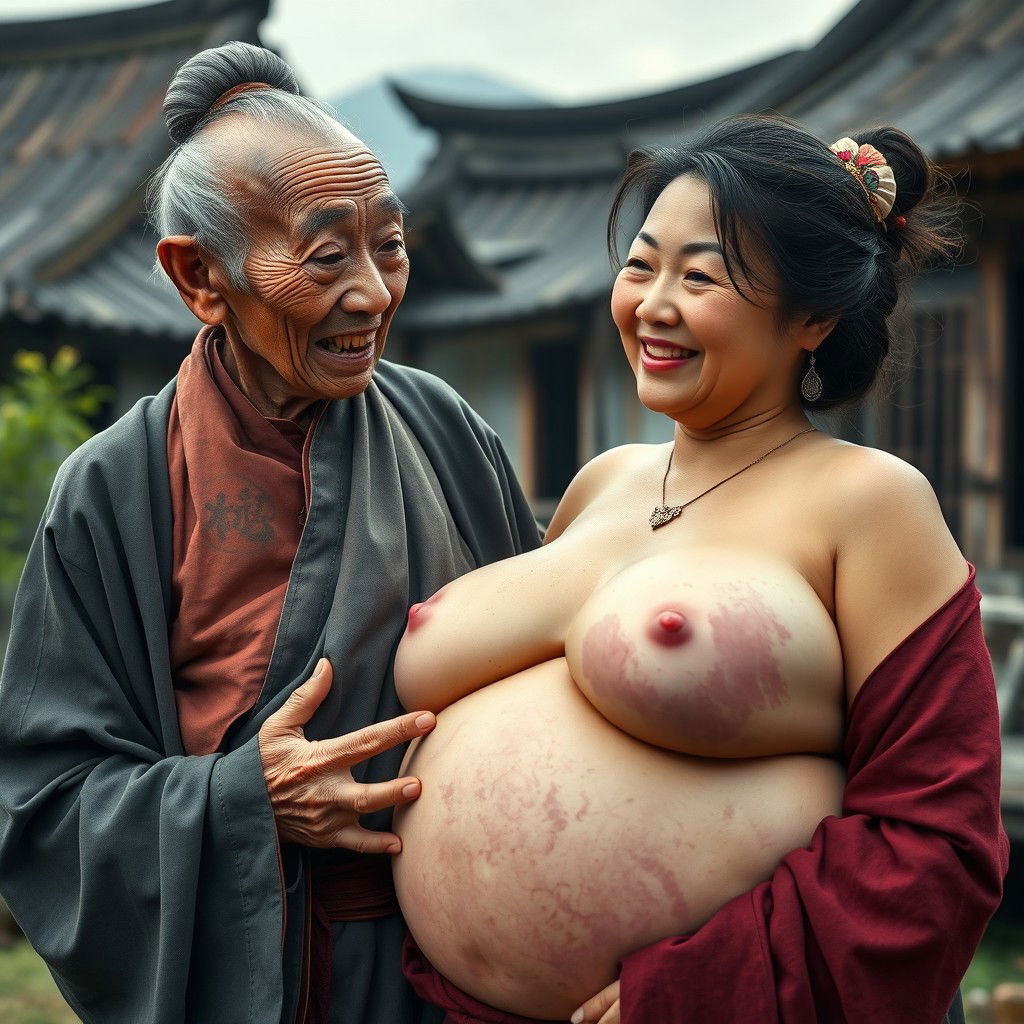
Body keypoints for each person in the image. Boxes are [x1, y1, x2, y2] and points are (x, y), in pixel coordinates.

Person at [390, 115, 1009, 1024]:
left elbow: (936, 839)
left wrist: (693, 992)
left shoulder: (870, 502)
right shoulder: (603, 481)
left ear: (814, 318)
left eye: (702, 276)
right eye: (641, 266)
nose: (653, 304)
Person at [0, 42, 539, 1024]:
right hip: (260, 975)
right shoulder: (114, 490)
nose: (373, 292)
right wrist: (246, 800)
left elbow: (544, 678)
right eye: (328, 255)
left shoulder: (445, 428)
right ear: (201, 277)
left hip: (463, 965)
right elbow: (46, 807)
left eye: (390, 244)